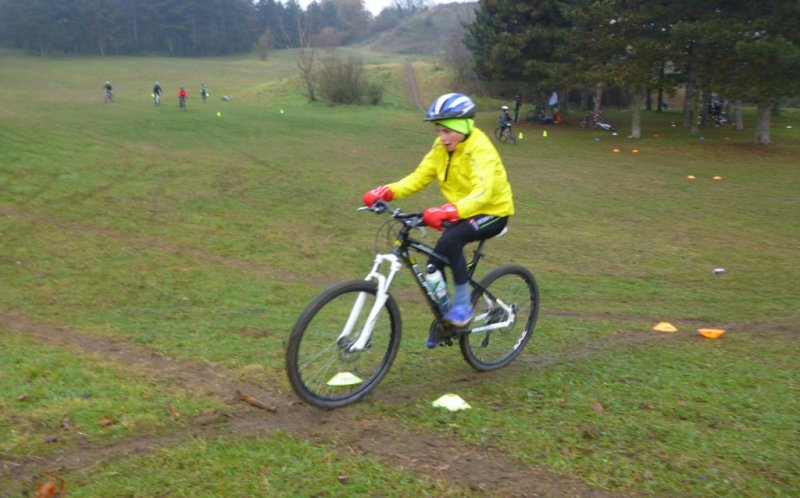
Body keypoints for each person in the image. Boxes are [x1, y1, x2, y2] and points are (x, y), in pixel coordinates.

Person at [362, 93, 515, 348]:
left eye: (447, 131)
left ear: (464, 126)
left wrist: (449, 211)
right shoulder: (440, 148)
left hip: (493, 211)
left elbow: (483, 192)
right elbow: (419, 177)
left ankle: (463, 309)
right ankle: (447, 321)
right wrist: (386, 191)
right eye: (438, 130)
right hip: (460, 211)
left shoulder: (480, 150)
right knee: (433, 268)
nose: (442, 137)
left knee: (452, 238)